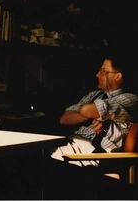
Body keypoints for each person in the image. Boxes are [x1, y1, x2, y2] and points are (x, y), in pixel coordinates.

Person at [43, 55, 138, 199]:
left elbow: (86, 110)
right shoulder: (94, 95)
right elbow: (65, 118)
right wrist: (94, 114)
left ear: (118, 76)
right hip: (74, 143)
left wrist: (89, 112)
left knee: (37, 161)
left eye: (104, 71)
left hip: (94, 154)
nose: (97, 75)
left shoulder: (130, 99)